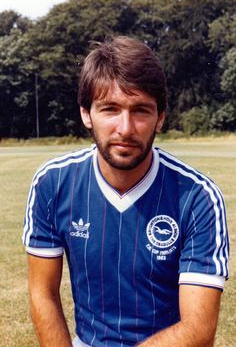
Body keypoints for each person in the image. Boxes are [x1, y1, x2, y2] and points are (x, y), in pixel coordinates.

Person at [22, 36, 229, 347]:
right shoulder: (53, 184)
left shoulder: (198, 197)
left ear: (160, 117)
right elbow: (43, 293)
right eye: (110, 109)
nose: (125, 128)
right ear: (86, 114)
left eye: (141, 110)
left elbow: (198, 330)